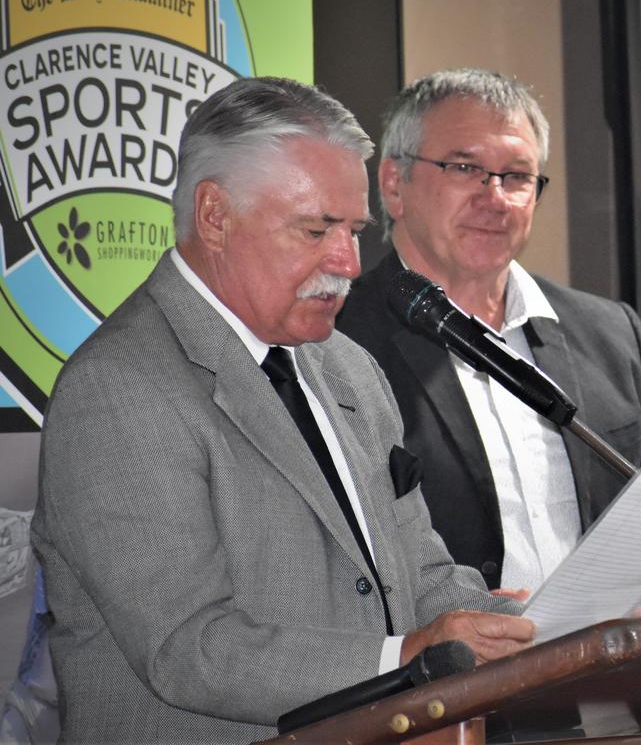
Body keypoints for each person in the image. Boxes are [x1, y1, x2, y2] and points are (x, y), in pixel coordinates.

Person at [30, 76, 533, 744]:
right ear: (215, 216)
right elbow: (188, 648)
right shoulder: (120, 389)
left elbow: (422, 576)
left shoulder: (347, 367)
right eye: (316, 228)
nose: (349, 262)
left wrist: (545, 625)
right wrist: (405, 658)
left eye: (353, 230)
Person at [337, 68, 641, 596]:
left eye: (517, 176)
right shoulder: (336, 340)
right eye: (465, 167)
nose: (496, 198)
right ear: (395, 185)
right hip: (446, 674)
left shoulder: (611, 335)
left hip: (614, 670)